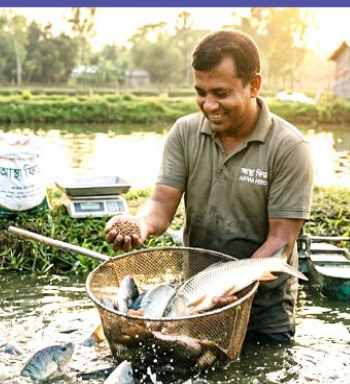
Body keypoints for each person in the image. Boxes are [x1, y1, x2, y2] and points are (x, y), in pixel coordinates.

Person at [104, 30, 313, 343]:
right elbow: (161, 204)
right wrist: (140, 223)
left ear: (253, 85)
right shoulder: (184, 133)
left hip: (263, 312)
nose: (209, 104)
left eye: (221, 93)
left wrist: (232, 290)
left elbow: (281, 241)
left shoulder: (289, 147)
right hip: (195, 302)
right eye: (201, 92)